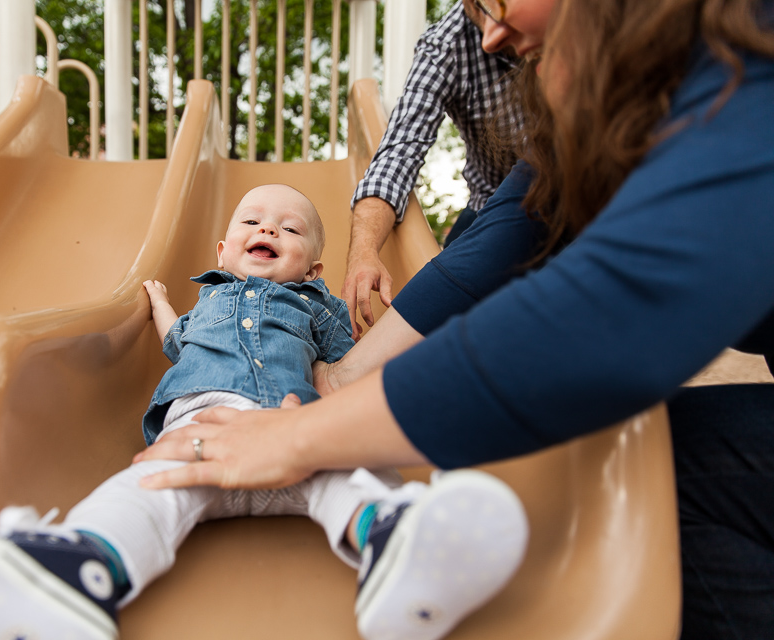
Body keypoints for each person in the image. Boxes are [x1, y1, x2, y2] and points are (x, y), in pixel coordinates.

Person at [135, 1, 774, 638]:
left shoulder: (749, 67)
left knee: (637, 492)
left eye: (497, 1)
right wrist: (344, 374)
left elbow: (604, 317)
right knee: (640, 475)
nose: (491, 33)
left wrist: (298, 438)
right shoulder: (647, 83)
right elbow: (514, 221)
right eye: (474, 8)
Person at [0, 184, 528, 640]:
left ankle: (395, 544)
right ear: (220, 252)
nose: (268, 228)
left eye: (290, 228)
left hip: (293, 430)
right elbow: (176, 341)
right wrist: (156, 304)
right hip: (197, 440)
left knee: (346, 479)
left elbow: (351, 365)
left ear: (314, 267)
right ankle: (76, 573)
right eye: (252, 222)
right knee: (139, 491)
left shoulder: (314, 305)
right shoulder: (204, 304)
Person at [346, 0, 522, 339]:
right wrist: (364, 250)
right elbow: (397, 156)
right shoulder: (446, 46)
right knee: (436, 284)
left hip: (580, 203)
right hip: (491, 203)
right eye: (478, 7)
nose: (490, 35)